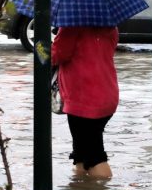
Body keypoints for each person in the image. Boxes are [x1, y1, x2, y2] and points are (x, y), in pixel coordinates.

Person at [51, 26, 119, 179]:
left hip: (83, 99)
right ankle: (80, 188)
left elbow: (57, 55)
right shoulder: (110, 26)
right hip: (107, 94)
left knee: (94, 156)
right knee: (81, 152)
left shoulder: (71, 26)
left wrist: (42, 47)